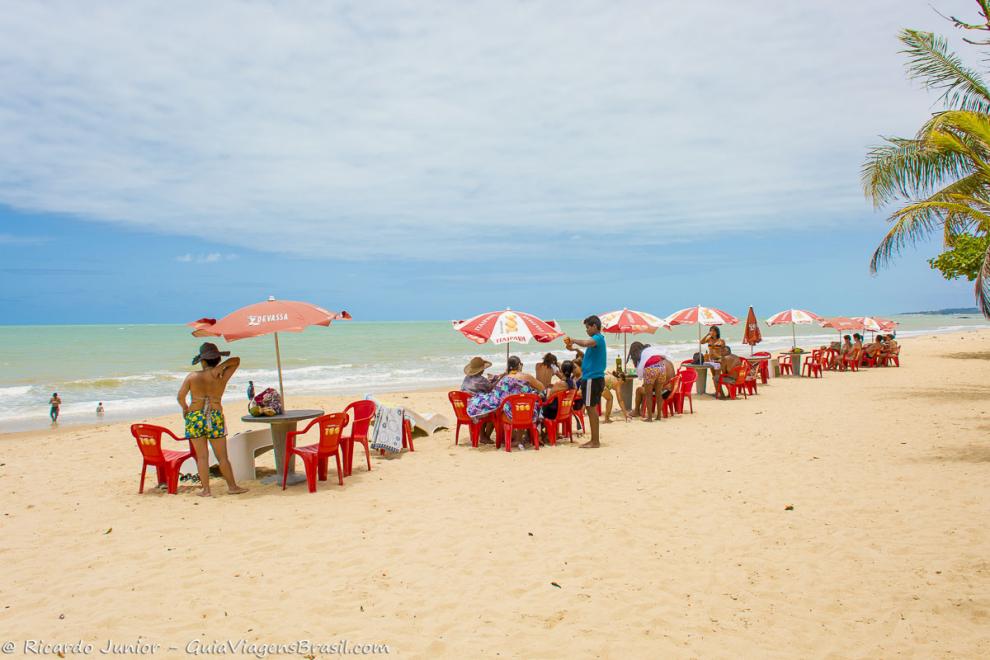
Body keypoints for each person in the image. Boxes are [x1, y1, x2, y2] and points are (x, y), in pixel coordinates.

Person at [177, 342, 247, 497]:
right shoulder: (221, 377)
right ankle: (232, 487)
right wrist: (218, 369)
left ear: (202, 361)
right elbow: (236, 360)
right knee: (222, 457)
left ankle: (206, 490)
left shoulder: (192, 377)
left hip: (194, 418)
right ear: (217, 359)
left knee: (202, 457)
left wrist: (185, 408)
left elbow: (180, 397)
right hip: (214, 417)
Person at [466, 356, 545, 447]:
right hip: (527, 412)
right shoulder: (527, 377)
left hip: (510, 415)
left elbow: (497, 396)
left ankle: (512, 438)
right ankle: (520, 438)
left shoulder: (504, 379)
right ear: (519, 365)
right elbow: (542, 387)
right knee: (528, 404)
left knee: (505, 408)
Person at [563, 315, 606, 448]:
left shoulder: (597, 338)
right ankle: (594, 440)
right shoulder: (598, 340)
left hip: (592, 378)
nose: (586, 330)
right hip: (594, 377)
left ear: (594, 326)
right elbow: (586, 355)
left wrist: (573, 340)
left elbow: (587, 343)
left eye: (588, 327)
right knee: (591, 408)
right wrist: (575, 349)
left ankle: (595, 441)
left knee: (591, 409)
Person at [628, 342, 675, 422]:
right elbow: (665, 354)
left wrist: (641, 375)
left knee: (648, 394)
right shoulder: (650, 350)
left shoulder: (642, 354)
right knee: (659, 394)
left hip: (651, 369)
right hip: (661, 366)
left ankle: (649, 418)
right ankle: (659, 416)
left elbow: (640, 372)